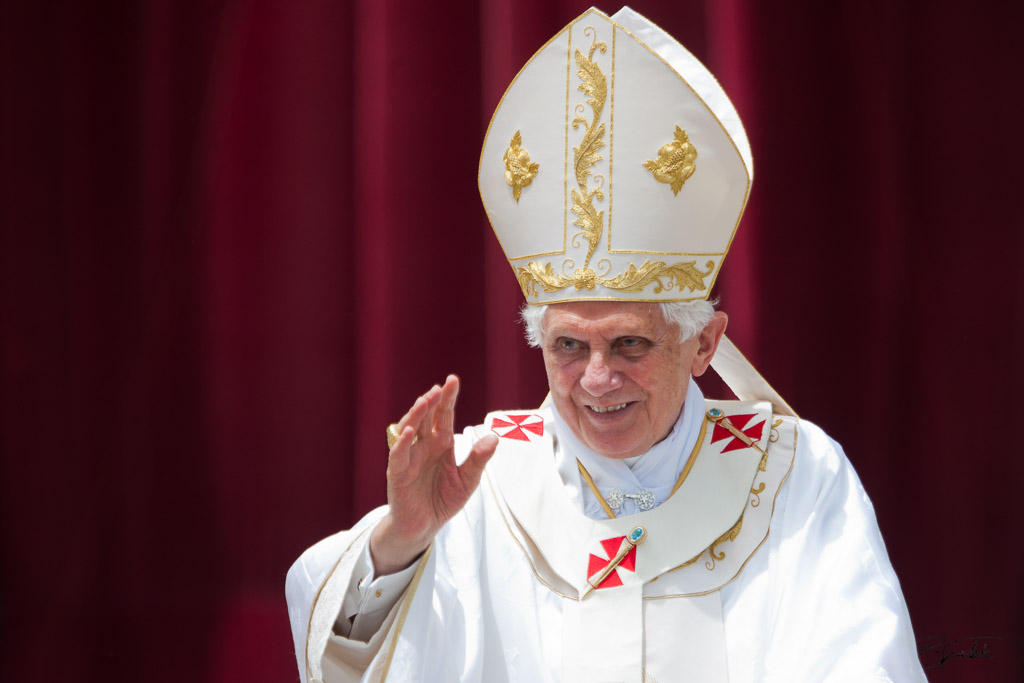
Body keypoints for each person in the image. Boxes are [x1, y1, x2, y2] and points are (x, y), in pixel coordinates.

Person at [286, 7, 927, 682]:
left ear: (703, 343)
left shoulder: (795, 479)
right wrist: (404, 540)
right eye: (568, 345)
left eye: (628, 344)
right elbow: (343, 648)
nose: (596, 378)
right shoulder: (478, 486)